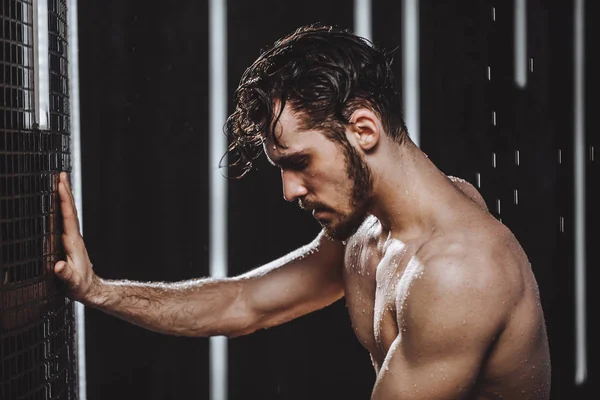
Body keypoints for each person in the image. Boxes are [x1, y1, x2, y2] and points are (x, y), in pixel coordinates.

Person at [54, 24, 551, 399]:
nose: (290, 191)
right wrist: (97, 291)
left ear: (362, 129)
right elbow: (245, 303)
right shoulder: (372, 230)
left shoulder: (458, 270)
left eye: (299, 162)